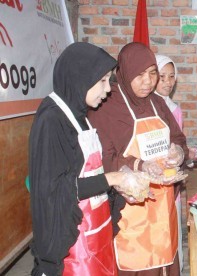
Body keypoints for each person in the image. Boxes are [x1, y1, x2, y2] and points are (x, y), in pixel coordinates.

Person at [29, 42, 151, 275]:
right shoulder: (52, 121)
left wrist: (120, 187)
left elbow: (88, 174)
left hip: (96, 229)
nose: (107, 90)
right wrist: (112, 178)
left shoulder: (79, 114)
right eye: (102, 81)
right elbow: (56, 190)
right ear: (80, 77)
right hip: (74, 243)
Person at [88, 42, 188, 275]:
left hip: (163, 204)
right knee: (137, 263)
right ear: (125, 72)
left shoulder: (158, 103)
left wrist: (179, 152)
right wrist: (139, 165)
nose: (148, 82)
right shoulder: (106, 108)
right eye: (140, 74)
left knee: (164, 256)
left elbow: (178, 138)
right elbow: (101, 159)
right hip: (129, 207)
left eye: (152, 73)